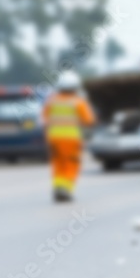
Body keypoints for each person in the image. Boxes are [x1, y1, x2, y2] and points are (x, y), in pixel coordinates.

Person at [43, 71, 95, 203]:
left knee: (58, 164)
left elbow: (44, 120)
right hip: (71, 139)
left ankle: (58, 188)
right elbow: (89, 120)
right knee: (71, 164)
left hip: (54, 138)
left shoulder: (52, 101)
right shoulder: (78, 102)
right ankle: (65, 190)